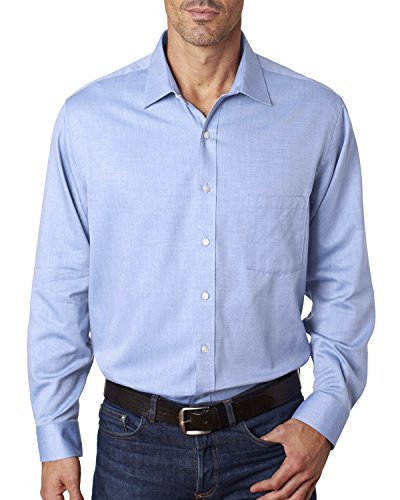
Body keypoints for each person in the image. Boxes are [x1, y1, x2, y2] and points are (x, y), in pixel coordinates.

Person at [27, 1, 376, 499]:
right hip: (134, 449)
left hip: (272, 446)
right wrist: (54, 432)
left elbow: (344, 286)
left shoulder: (316, 116)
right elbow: (61, 287)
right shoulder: (88, 119)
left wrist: (325, 418)